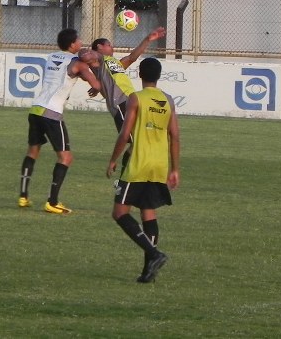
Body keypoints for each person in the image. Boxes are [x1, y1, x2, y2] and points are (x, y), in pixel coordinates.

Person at [106, 57, 180, 283]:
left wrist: (113, 159)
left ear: (140, 75)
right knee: (148, 211)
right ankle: (149, 272)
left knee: (120, 212)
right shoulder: (167, 100)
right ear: (158, 76)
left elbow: (125, 134)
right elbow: (175, 135)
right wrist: (175, 169)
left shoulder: (135, 98)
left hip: (139, 163)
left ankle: (155, 254)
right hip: (159, 165)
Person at [18, 28, 101, 214]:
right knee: (65, 157)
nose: (81, 42)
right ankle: (52, 202)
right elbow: (96, 84)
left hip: (36, 109)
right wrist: (94, 71)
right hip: (52, 113)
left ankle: (23, 197)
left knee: (32, 152)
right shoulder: (77, 63)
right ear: (72, 44)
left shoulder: (51, 57)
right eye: (79, 39)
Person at [86, 27, 166, 167]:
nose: (113, 47)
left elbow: (132, 57)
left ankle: (125, 177)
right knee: (134, 141)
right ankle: (123, 179)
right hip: (120, 103)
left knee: (140, 141)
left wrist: (148, 39)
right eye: (109, 44)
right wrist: (96, 82)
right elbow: (85, 58)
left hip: (132, 101)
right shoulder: (98, 61)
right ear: (99, 47)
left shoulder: (115, 63)